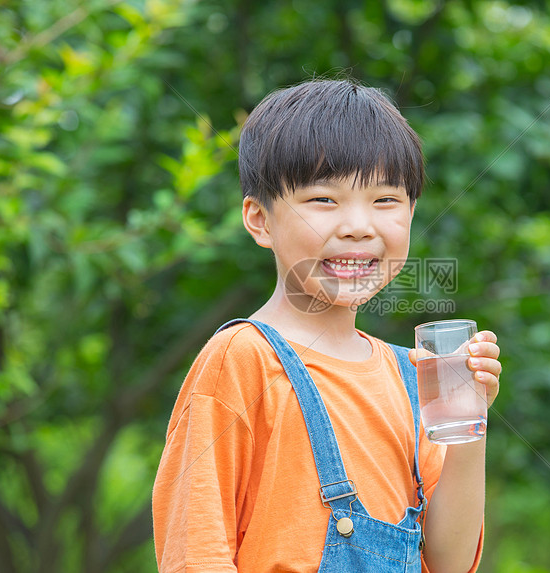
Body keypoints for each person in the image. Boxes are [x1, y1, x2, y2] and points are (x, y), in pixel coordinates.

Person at [152, 78, 502, 573]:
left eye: (385, 201)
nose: (359, 225)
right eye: (323, 200)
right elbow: (196, 555)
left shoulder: (411, 377)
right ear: (260, 220)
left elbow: (449, 560)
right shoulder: (243, 358)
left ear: (411, 214)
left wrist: (469, 422)